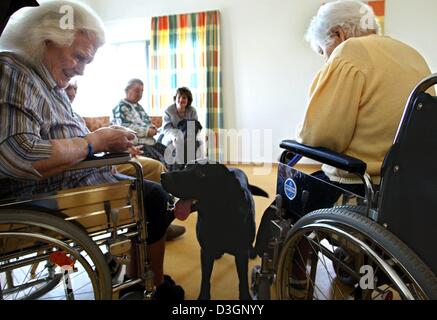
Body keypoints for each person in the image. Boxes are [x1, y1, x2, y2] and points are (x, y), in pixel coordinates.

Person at [0, 0, 183, 299]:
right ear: (47, 40)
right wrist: (94, 142)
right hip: (42, 197)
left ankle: (139, 272)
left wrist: (105, 140)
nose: (82, 71)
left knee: (152, 185)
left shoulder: (51, 87)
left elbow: (77, 139)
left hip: (71, 180)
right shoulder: (13, 71)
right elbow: (17, 154)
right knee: (153, 197)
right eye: (79, 57)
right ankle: (152, 283)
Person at [254, 0, 433, 297]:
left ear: (337, 34)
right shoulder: (411, 54)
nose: (327, 60)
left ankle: (296, 280)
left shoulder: (350, 52)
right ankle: (353, 263)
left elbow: (320, 136)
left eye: (324, 52)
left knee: (282, 205)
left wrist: (303, 136)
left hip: (360, 187)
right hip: (408, 189)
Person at [67, 80, 186, 241]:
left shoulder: (74, 116)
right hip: (133, 146)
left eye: (142, 91)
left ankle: (165, 212)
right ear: (127, 90)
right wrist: (144, 133)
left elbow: (145, 124)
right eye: (137, 90)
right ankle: (160, 219)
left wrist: (152, 129)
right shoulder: (120, 107)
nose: (140, 93)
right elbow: (122, 130)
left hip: (131, 148)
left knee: (172, 157)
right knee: (156, 167)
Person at [162, 87, 204, 168]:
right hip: (170, 135)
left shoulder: (192, 111)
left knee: (195, 142)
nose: (181, 100)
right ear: (175, 99)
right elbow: (167, 129)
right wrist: (175, 137)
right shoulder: (168, 110)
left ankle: (191, 167)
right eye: (179, 97)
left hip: (187, 137)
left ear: (188, 100)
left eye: (184, 97)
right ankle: (181, 167)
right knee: (180, 142)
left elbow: (195, 128)